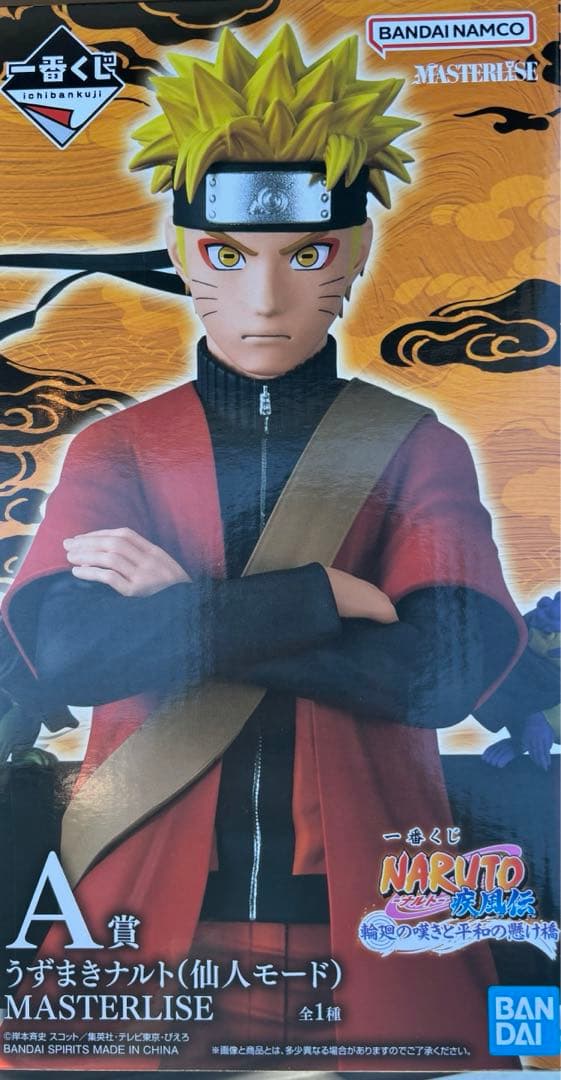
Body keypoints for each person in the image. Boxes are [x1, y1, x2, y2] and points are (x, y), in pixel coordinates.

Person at [0, 25, 524, 1069]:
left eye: (308, 254)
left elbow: (441, 673)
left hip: (380, 920)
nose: (266, 297)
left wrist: (184, 606)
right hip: (137, 917)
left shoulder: (416, 445)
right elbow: (68, 653)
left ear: (357, 252)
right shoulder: (118, 447)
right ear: (182, 252)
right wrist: (321, 596)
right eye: (228, 256)